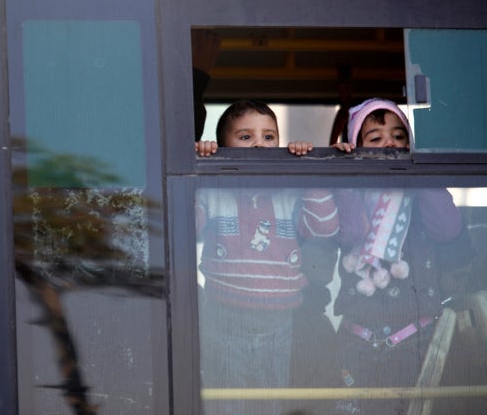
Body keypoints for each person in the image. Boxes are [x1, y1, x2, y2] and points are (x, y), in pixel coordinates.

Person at [195, 99, 339, 415]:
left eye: (269, 137)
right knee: (227, 405)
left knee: (270, 404)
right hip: (223, 319)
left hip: (279, 322)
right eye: (245, 137)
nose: (260, 143)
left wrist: (307, 168)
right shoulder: (213, 192)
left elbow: (325, 227)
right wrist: (200, 165)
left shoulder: (288, 195)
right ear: (224, 147)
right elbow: (186, 225)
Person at [330, 98, 464, 414]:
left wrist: (420, 173)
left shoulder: (419, 200)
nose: (390, 143)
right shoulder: (354, 195)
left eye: (399, 136)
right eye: (375, 139)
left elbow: (448, 229)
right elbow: (349, 232)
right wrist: (345, 176)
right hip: (356, 340)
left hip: (416, 340)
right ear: (356, 147)